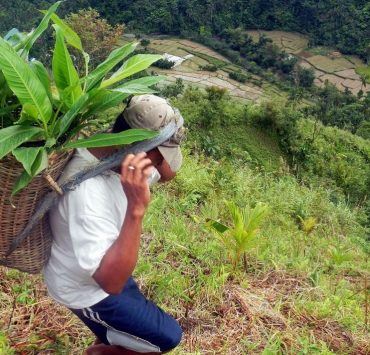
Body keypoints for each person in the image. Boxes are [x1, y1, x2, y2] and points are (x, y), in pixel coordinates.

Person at [43, 95, 185, 354]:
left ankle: (109, 340)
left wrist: (167, 136)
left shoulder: (116, 156)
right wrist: (136, 209)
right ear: (137, 149)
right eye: (158, 155)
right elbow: (112, 282)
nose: (159, 164)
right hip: (85, 289)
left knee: (131, 330)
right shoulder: (85, 195)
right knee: (168, 338)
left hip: (109, 261)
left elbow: (168, 173)